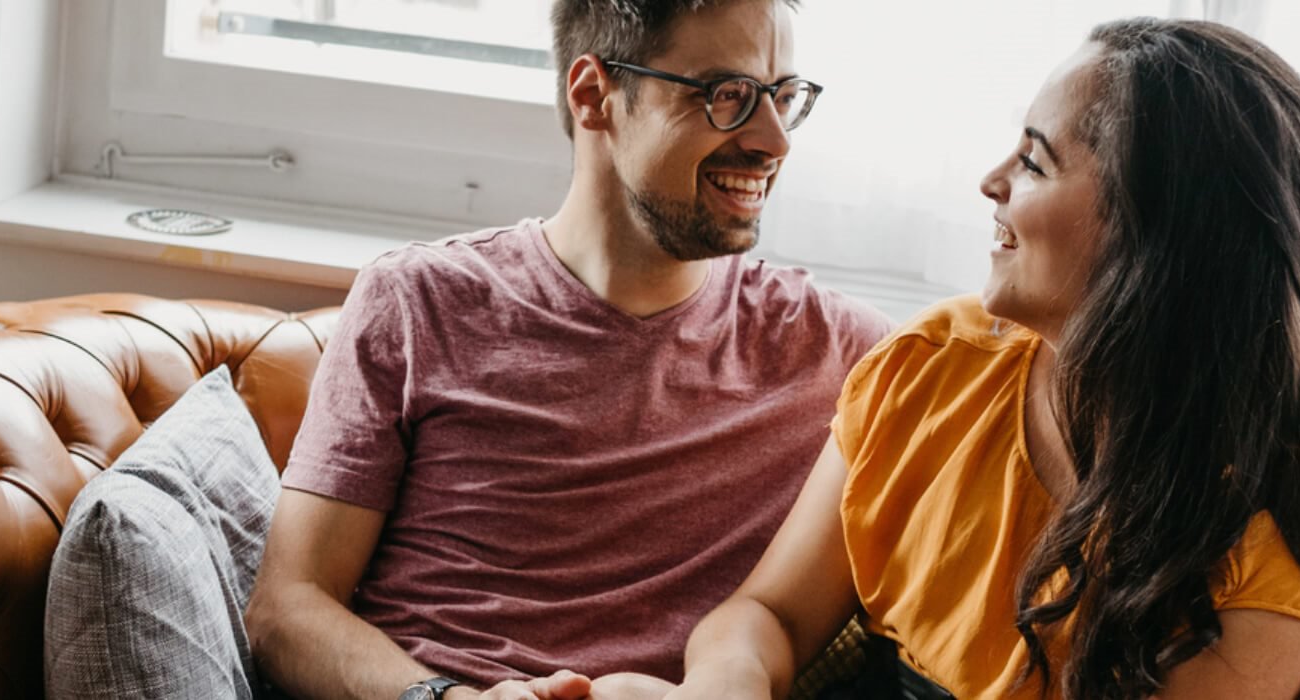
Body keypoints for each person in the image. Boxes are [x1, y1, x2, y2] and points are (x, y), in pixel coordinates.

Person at [640, 17, 1300, 700]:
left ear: (1156, 235)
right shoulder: (932, 365)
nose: (990, 181)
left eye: (1035, 160)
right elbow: (772, 617)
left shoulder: (1282, 515)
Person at [243, 1, 894, 699]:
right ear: (593, 96)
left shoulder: (848, 357)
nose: (774, 141)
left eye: (783, 97)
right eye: (726, 95)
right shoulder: (417, 302)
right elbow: (287, 611)